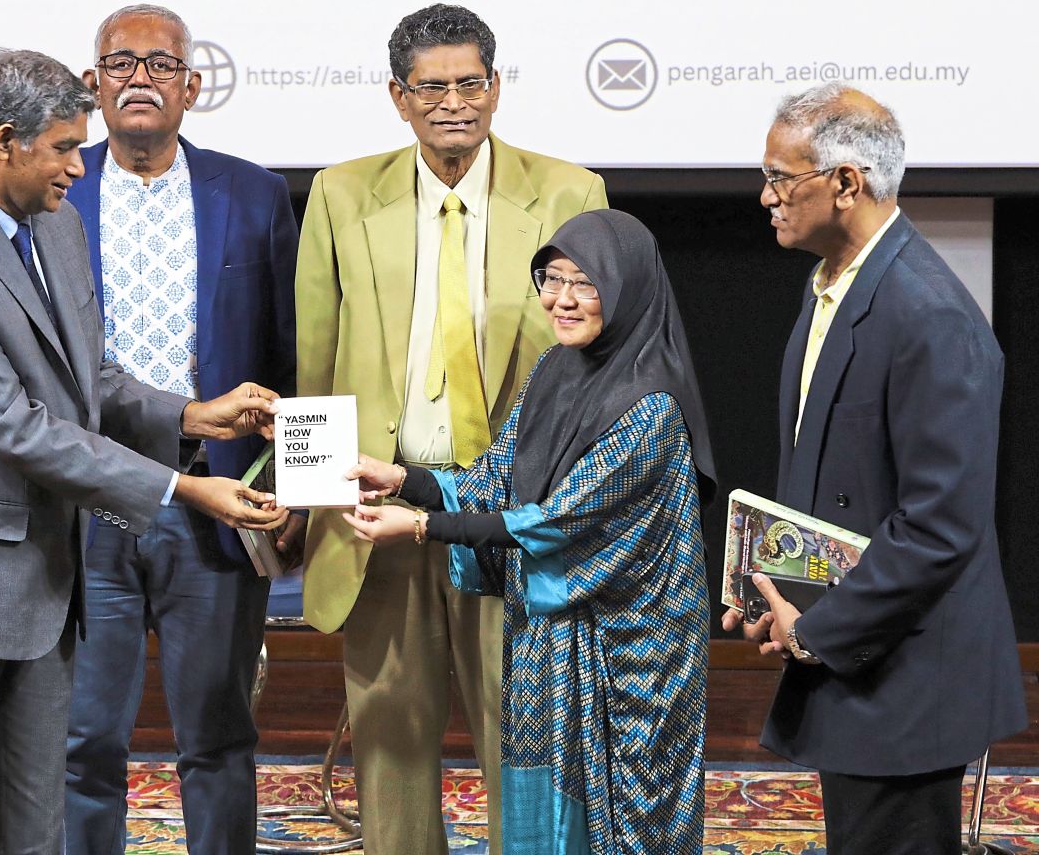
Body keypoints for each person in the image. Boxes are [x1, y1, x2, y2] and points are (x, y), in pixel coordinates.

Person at [0, 48, 287, 855]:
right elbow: (17, 428)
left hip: (45, 584)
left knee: (35, 826)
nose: (80, 169)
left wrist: (194, 415)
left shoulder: (52, 225)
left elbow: (91, 377)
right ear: (4, 140)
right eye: (63, 149)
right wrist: (186, 491)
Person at [294, 3, 608, 853]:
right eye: (431, 87)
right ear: (399, 98)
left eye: (471, 83)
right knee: (390, 738)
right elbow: (316, 363)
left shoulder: (570, 192)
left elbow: (592, 374)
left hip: (509, 519)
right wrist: (311, 502)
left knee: (525, 741)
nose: (453, 103)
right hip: (378, 509)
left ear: (497, 87)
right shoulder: (340, 193)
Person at [344, 210, 716, 855]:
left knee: (624, 820)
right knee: (541, 810)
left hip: (630, 657)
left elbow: (558, 520)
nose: (560, 300)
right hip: (550, 639)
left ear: (627, 287)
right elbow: (495, 480)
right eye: (551, 278)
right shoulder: (552, 371)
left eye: (585, 282)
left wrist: (426, 526)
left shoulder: (651, 404)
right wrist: (402, 478)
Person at [723, 83, 1027, 854]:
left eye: (782, 178)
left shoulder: (930, 316)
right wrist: (777, 595)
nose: (767, 197)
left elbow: (939, 526)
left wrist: (818, 629)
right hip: (861, 658)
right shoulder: (834, 283)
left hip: (907, 675)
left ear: (847, 183)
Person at [63, 3, 299, 855]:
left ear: (192, 87)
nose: (138, 78)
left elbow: (288, 359)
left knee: (218, 737)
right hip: (86, 499)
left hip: (217, 500)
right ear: (92, 86)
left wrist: (294, 493)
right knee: (84, 739)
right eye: (119, 63)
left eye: (159, 65)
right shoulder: (56, 193)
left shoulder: (254, 194)